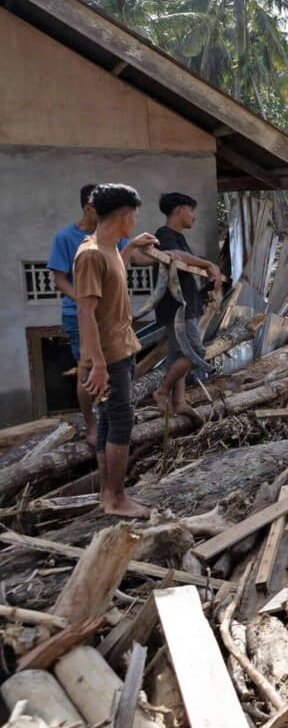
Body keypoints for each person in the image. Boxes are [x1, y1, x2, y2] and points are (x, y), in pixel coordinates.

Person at [74, 184, 160, 517]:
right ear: (125, 215)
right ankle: (116, 498)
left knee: (109, 420)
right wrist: (97, 364)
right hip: (108, 357)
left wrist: (131, 248)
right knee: (120, 422)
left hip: (120, 350)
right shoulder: (91, 253)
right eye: (135, 215)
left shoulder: (109, 249)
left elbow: (114, 277)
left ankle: (108, 494)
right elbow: (86, 312)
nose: (136, 221)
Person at [48, 184, 132, 446]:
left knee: (115, 369)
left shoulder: (114, 236)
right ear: (88, 209)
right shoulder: (66, 239)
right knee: (87, 369)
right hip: (79, 314)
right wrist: (85, 299)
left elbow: (121, 264)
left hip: (110, 316)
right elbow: (59, 279)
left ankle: (109, 418)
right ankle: (91, 425)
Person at [151, 193, 223, 420]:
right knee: (195, 352)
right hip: (176, 305)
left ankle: (179, 401)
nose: (193, 216)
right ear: (179, 210)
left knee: (178, 353)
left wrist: (208, 268)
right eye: (191, 210)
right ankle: (162, 390)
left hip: (184, 303)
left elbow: (187, 258)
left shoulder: (178, 236)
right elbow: (177, 256)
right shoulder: (164, 234)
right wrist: (208, 263)